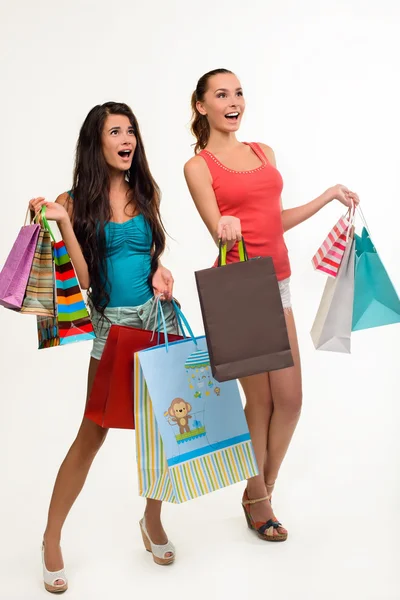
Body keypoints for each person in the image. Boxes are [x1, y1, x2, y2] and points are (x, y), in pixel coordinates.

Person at [184, 69, 359, 542]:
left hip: (277, 284)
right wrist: (224, 225)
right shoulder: (198, 167)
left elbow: (273, 221)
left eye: (238, 92)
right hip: (242, 288)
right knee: (258, 401)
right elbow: (216, 225)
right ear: (202, 107)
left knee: (291, 399)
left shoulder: (264, 153)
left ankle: (259, 489)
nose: (234, 101)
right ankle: (260, 501)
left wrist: (326, 198)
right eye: (221, 94)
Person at [29, 102, 178, 593]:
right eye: (116, 131)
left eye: (131, 130)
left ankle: (151, 521)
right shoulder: (71, 202)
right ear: (97, 142)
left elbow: (151, 254)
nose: (127, 138)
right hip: (111, 329)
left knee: (162, 429)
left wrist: (160, 270)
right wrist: (61, 223)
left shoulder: (145, 191)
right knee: (91, 434)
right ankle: (51, 538)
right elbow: (87, 280)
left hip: (157, 322)